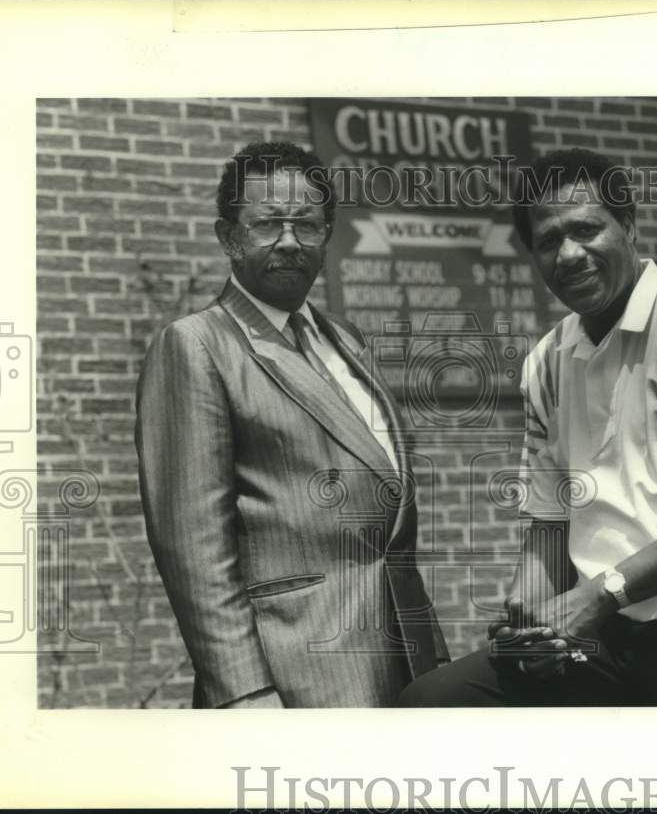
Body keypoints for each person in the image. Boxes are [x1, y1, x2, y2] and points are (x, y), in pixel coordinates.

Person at [399, 147, 657, 706]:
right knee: (435, 703)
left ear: (627, 226)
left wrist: (600, 595)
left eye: (586, 229)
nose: (569, 254)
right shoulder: (547, 360)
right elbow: (550, 517)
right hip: (612, 633)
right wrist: (529, 601)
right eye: (548, 241)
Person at [136, 141, 447, 708]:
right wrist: (245, 691)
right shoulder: (197, 345)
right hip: (294, 674)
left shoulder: (345, 340)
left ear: (326, 237)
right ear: (229, 236)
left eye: (306, 223)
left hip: (405, 655)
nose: (288, 240)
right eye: (267, 223)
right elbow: (192, 545)